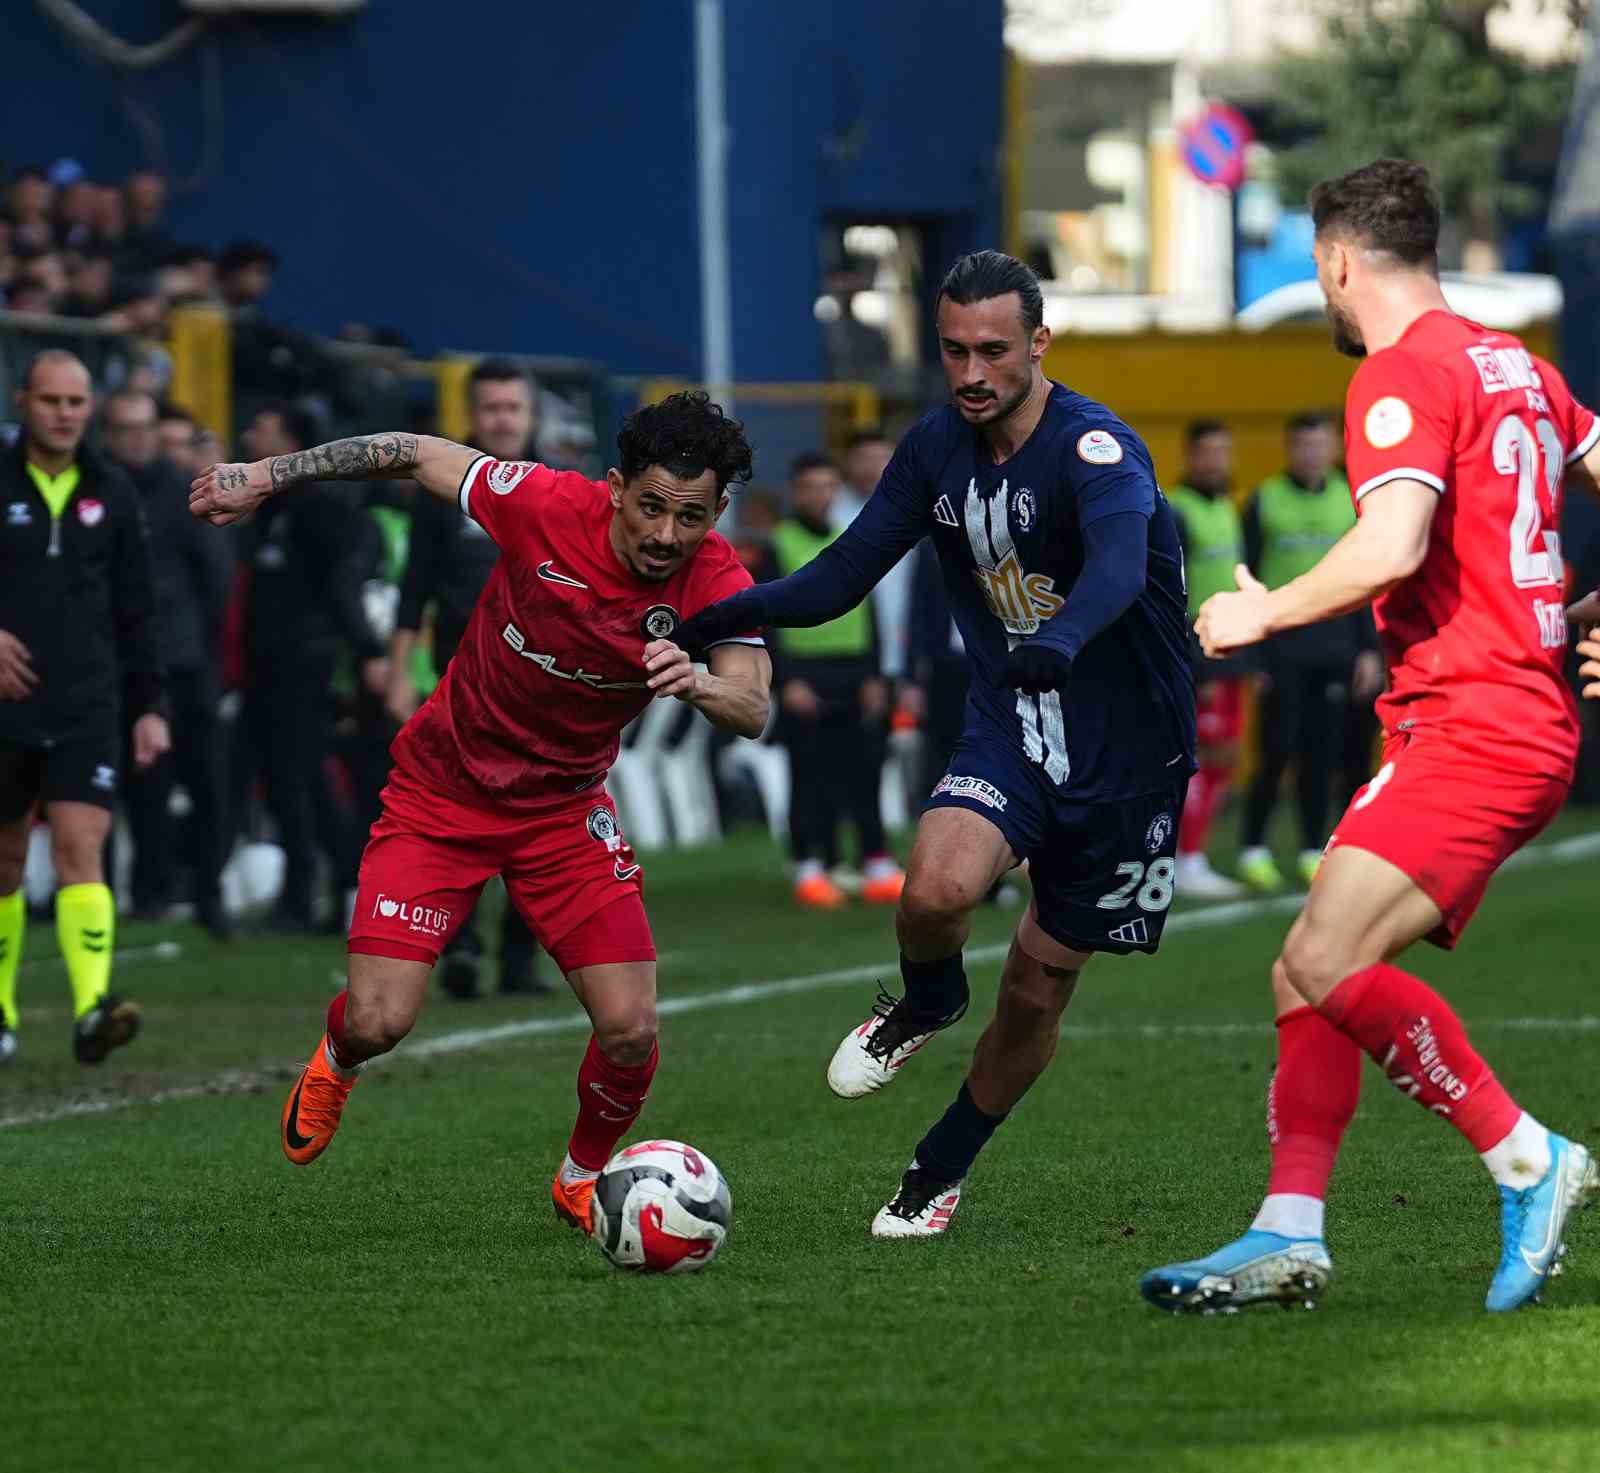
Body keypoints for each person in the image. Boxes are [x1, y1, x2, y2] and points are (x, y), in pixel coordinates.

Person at [1141, 159, 1600, 1317]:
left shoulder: (1400, 374)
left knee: (1327, 963)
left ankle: (1527, 1159)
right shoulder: (1523, 367)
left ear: (1337, 262)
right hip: (1493, 720)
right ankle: (1286, 1230)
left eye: (1319, 274)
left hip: (1477, 723)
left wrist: (1260, 610)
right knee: (1304, 971)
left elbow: (1392, 546)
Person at [677, 251, 1195, 1236]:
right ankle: (925, 1002)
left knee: (1038, 992)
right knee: (933, 893)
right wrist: (698, 619)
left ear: (1038, 344)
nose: (969, 372)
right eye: (953, 350)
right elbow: (839, 577)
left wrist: (1060, 639)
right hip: (1010, 728)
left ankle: (937, 1168)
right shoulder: (932, 450)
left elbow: (1122, 567)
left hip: (1129, 761)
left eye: (992, 351)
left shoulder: (1096, 452)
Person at [188, 391, 771, 1234]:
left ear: (717, 511)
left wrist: (703, 682)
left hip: (563, 811)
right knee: (381, 1018)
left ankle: (580, 1177)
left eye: (689, 515)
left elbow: (754, 706)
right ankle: (339, 1056)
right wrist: (266, 475)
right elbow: (411, 447)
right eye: (650, 506)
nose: (664, 534)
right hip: (441, 794)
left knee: (632, 1028)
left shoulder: (717, 577)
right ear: (614, 488)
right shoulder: (541, 503)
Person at [0, 351, 170, 1065]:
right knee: (5, 859)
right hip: (6, 704)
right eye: (51, 400)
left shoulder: (114, 490)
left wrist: (148, 705)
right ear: (22, 402)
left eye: (76, 401)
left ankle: (91, 1007)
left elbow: (137, 608)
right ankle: (2, 1015)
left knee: (80, 846)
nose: (64, 413)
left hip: (88, 700)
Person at [386, 358, 548, 997]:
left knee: (537, 831)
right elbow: (413, 588)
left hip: (544, 693)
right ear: (472, 414)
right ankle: (456, 949)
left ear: (530, 414)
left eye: (514, 407)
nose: (503, 419)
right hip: (459, 689)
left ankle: (518, 958)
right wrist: (399, 674)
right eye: (492, 408)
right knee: (456, 823)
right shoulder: (445, 488)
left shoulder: (560, 487)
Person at [239, 403, 386, 931]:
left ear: (293, 444)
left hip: (309, 668)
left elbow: (342, 590)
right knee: (287, 780)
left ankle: (329, 887)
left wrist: (363, 653)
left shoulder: (323, 511)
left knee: (307, 780)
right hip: (269, 669)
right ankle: (316, 887)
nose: (250, 433)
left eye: (263, 425)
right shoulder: (272, 510)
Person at [102, 389, 235, 937]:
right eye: (125, 427)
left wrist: (199, 647)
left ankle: (208, 893)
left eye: (144, 426)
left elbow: (216, 578)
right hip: (118, 666)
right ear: (108, 435)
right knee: (132, 788)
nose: (137, 437)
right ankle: (136, 894)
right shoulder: (101, 491)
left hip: (184, 663)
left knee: (208, 785)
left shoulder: (186, 495)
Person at [1236, 412, 1383, 892]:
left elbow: (1367, 577)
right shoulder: (1265, 501)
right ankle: (1253, 847)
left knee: (1326, 754)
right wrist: (1254, 654)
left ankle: (1310, 848)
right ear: (1289, 448)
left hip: (1338, 646)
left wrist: (1369, 649)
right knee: (1277, 749)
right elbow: (1247, 578)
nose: (1311, 454)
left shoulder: (1351, 498)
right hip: (1282, 648)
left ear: (1332, 449)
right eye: (1302, 445)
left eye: (1319, 445)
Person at [768, 450, 903, 909]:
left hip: (853, 671)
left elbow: (870, 611)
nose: (820, 496)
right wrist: (784, 680)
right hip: (805, 674)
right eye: (810, 487)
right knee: (809, 773)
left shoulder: (851, 538)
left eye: (827, 486)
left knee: (866, 769)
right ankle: (809, 863)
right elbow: (763, 619)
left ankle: (876, 860)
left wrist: (875, 675)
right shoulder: (778, 544)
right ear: (795, 492)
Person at [1166, 419, 1247, 900]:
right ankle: (1185, 858)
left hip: (1232, 645)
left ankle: (1192, 854)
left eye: (1223, 451)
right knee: (1196, 756)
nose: (1217, 461)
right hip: (1199, 647)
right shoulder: (1177, 512)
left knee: (1225, 756)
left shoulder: (1227, 507)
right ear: (1191, 457)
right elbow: (1172, 593)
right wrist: (1192, 659)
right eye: (1208, 452)